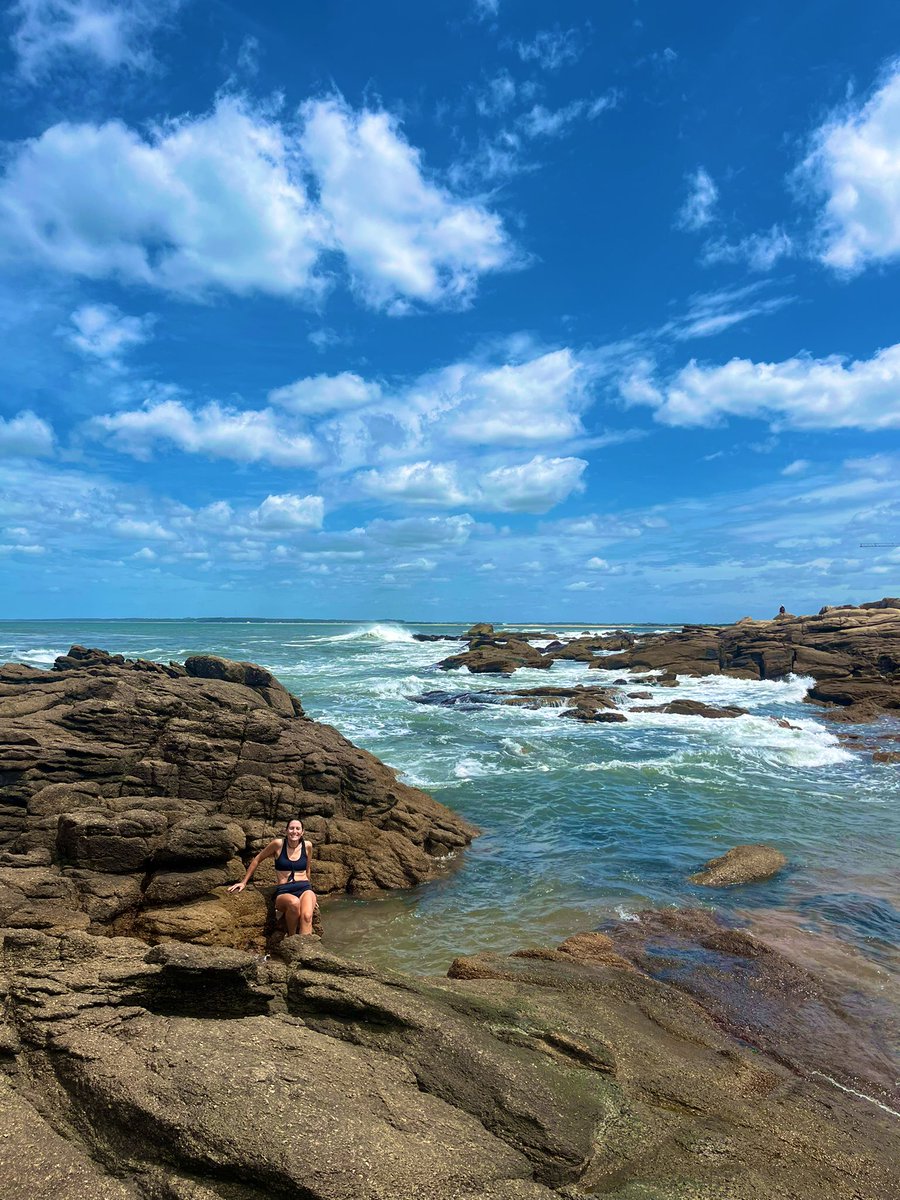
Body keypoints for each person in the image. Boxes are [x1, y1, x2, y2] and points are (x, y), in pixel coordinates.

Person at [227, 818, 317, 936]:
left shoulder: (307, 845)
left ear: (302, 832)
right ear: (286, 830)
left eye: (298, 828)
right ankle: (293, 938)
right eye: (291, 828)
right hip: (285, 890)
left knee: (307, 916)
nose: (294, 831)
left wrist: (311, 896)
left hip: (304, 888)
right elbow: (257, 859)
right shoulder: (278, 844)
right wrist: (244, 882)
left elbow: (307, 868)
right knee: (294, 903)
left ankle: (305, 945)